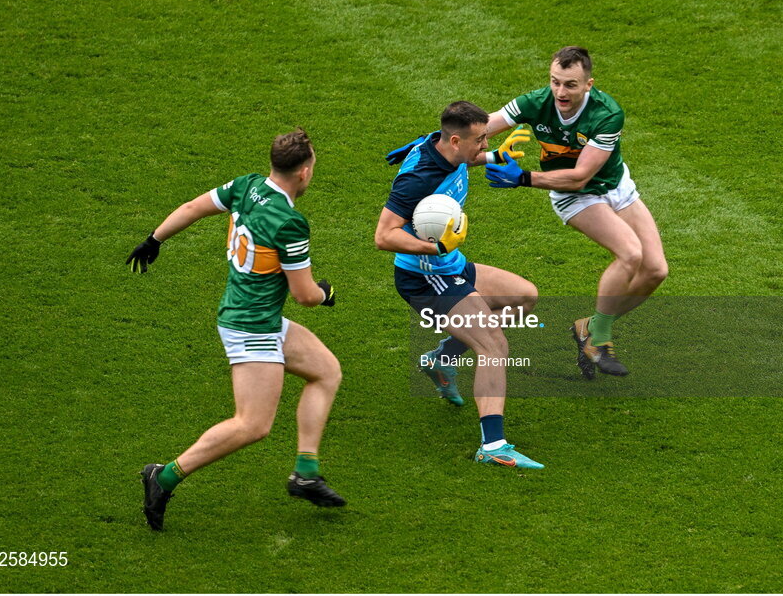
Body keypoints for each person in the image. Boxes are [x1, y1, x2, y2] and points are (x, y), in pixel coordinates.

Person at [126, 128, 345, 531]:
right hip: (252, 326)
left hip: (254, 315)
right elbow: (304, 295)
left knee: (326, 371)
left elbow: (193, 206)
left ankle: (306, 472)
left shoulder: (246, 186)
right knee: (252, 424)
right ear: (304, 172)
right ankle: (164, 476)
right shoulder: (290, 223)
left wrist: (154, 238)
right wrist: (326, 293)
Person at [480, 46, 668, 379]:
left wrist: (522, 178)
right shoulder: (533, 103)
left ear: (588, 85)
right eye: (555, 82)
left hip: (613, 187)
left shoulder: (607, 114)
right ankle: (599, 340)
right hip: (574, 197)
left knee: (655, 270)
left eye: (570, 84)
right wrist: (432, 147)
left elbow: (583, 174)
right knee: (630, 254)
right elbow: (479, 129)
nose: (560, 92)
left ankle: (588, 327)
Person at [375, 101, 544, 469]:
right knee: (495, 344)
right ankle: (493, 446)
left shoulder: (444, 147)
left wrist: (496, 155)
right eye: (481, 140)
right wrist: (434, 246)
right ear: (454, 140)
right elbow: (383, 235)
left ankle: (441, 359)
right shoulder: (418, 178)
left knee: (524, 297)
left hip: (449, 265)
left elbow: (463, 158)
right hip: (425, 276)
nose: (485, 145)